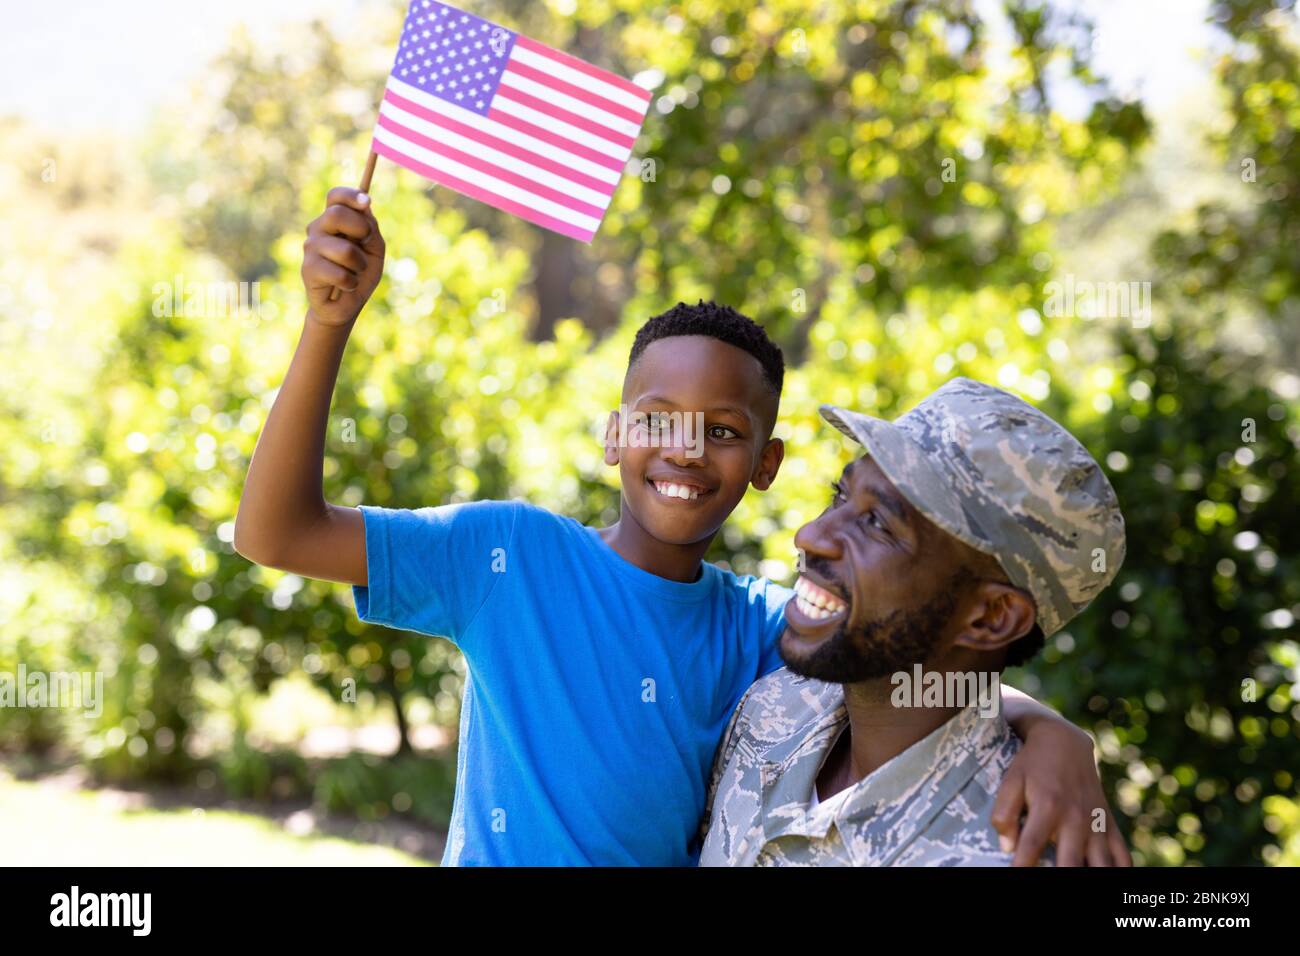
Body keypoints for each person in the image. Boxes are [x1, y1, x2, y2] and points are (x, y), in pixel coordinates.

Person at [235, 188, 1122, 865]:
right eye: (656, 419)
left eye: (725, 432)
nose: (686, 450)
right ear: (615, 434)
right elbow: (274, 533)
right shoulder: (507, 554)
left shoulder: (761, 633)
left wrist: (1051, 734)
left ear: (765, 467)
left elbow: (916, 668)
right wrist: (327, 324)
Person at [699, 379, 1130, 866]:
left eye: (878, 524)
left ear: (991, 617)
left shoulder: (1006, 851)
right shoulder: (775, 707)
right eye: (840, 497)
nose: (811, 534)